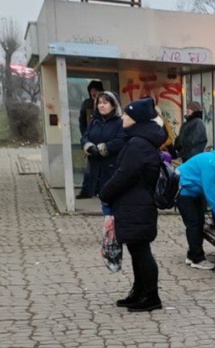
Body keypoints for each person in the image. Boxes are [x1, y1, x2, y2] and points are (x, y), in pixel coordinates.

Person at [99, 97, 166, 312]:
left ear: (137, 119)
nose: (123, 117)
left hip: (137, 204)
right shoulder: (139, 140)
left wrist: (105, 193)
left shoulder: (139, 144)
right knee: (137, 251)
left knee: (141, 251)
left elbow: (124, 174)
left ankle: (151, 296)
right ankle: (139, 292)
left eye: (127, 115)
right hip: (134, 203)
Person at [80, 91, 127, 200]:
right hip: (94, 166)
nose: (101, 105)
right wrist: (89, 146)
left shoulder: (120, 122)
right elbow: (85, 136)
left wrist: (105, 148)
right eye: (99, 103)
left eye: (105, 103)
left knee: (109, 198)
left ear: (114, 105)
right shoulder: (94, 122)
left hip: (111, 166)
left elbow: (121, 140)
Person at [77, 80, 104, 199]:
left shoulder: (105, 103)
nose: (93, 93)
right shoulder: (86, 104)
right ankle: (86, 190)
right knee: (89, 168)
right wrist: (85, 137)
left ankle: (101, 190)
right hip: (91, 140)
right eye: (91, 90)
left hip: (104, 140)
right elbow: (82, 122)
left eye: (96, 90)